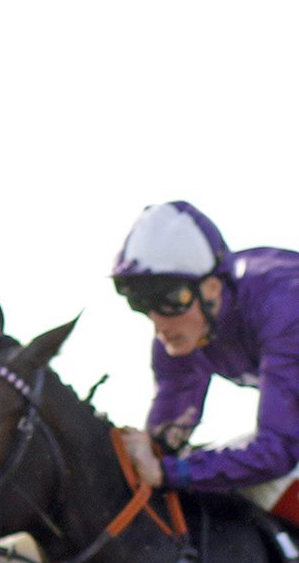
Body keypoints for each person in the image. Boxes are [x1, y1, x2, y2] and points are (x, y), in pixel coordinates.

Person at [112, 201, 299, 512]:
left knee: (269, 487)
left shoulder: (282, 307)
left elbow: (277, 452)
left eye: (170, 299)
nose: (159, 321)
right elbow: (164, 445)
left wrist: (170, 471)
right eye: (141, 302)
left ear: (212, 287)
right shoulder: (180, 336)